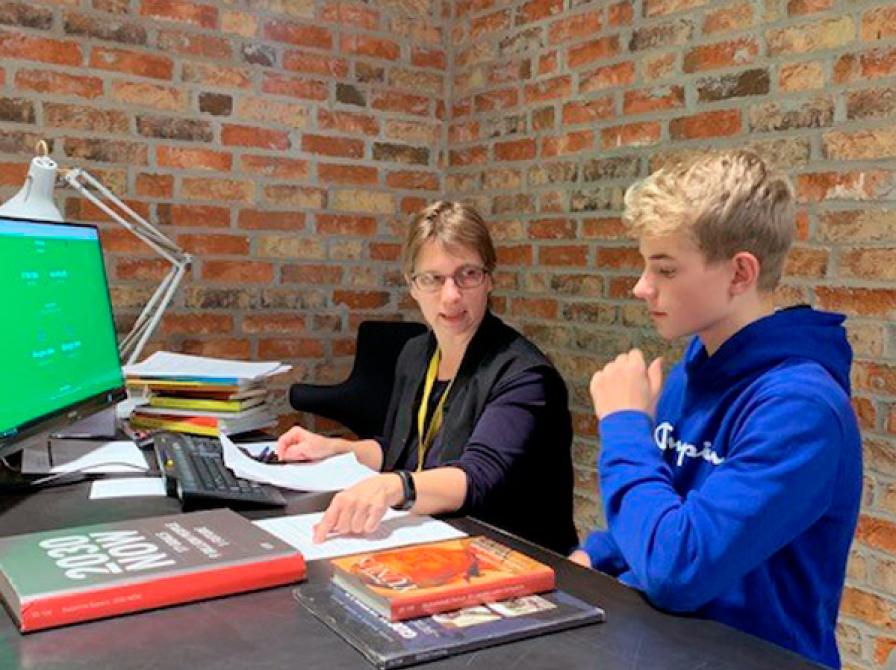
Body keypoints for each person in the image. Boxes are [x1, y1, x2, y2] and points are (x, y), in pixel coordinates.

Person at [571, 150, 862, 669]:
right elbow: (666, 501)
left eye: (665, 269)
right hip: (661, 644)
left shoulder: (801, 410)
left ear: (739, 273)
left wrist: (623, 426)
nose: (642, 287)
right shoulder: (695, 369)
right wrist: (596, 553)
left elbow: (678, 568)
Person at [278, 201, 578, 554]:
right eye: (433, 279)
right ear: (412, 286)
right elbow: (400, 450)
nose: (451, 295)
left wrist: (392, 487)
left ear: (489, 280)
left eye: (468, 274)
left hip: (517, 555)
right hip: (438, 538)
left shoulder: (525, 376)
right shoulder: (416, 354)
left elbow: (477, 476)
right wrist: (336, 448)